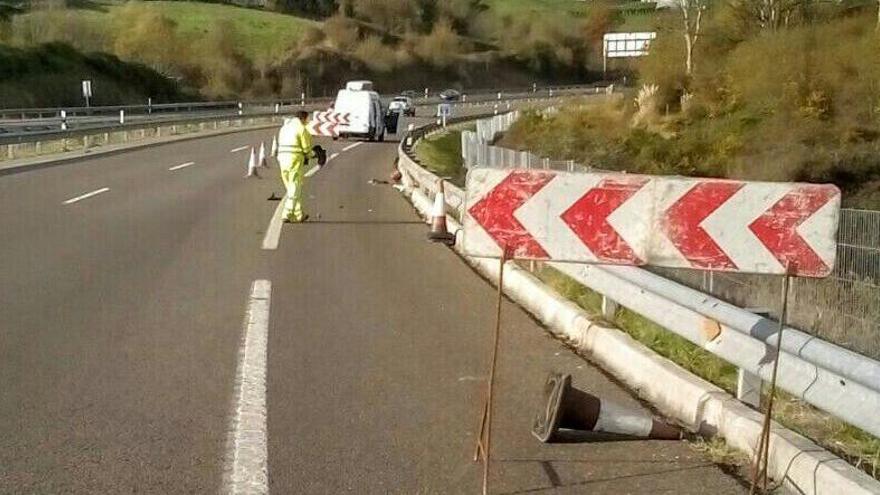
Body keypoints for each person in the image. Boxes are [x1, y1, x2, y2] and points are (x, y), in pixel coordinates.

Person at [276, 111, 315, 223]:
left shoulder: (284, 128)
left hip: (282, 158)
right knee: (294, 187)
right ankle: (286, 213)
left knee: (291, 187)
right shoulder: (302, 129)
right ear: (303, 118)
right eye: (307, 119)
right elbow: (306, 150)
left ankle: (299, 214)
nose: (308, 121)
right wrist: (314, 154)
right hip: (295, 159)